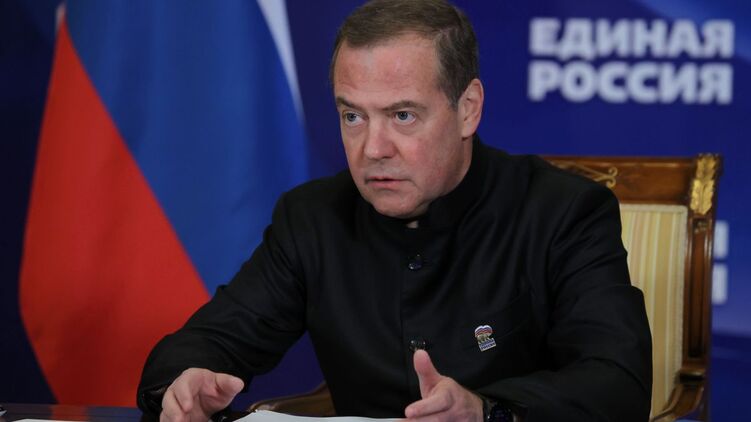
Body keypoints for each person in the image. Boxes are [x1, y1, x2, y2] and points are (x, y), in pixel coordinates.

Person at [137, 1, 652, 421]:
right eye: (353, 116)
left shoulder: (563, 212)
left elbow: (617, 384)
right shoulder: (313, 218)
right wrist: (186, 382)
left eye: (402, 115)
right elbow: (207, 341)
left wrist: (487, 411)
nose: (373, 148)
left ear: (468, 109)